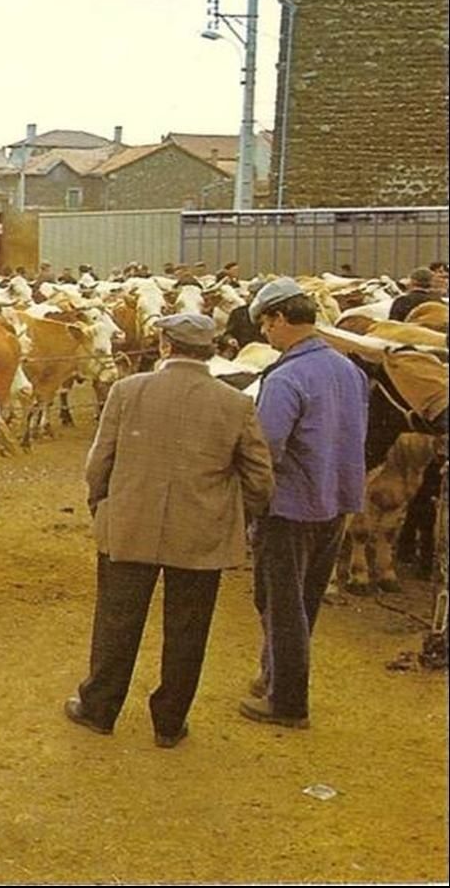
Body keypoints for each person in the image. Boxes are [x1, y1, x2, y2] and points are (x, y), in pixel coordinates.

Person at [65, 313, 274, 749]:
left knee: (116, 621)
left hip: (129, 525)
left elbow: (99, 462)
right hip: (201, 533)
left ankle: (99, 709)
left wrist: (102, 506)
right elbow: (260, 478)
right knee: (188, 630)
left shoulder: (127, 391)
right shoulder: (236, 403)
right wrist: (237, 515)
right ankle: (169, 722)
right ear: (210, 350)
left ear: (164, 346)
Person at [242, 277, 368, 729]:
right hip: (337, 500)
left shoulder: (286, 377)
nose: (263, 335)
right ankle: (275, 673)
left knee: (279, 601)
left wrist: (249, 500)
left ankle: (287, 702)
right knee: (306, 598)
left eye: (265, 325)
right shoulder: (348, 369)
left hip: (289, 506)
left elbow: (266, 448)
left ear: (279, 318)